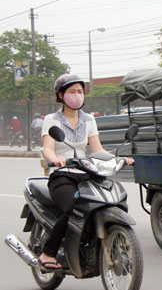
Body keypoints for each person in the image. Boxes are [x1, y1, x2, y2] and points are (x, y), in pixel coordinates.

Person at [38, 74, 134, 270]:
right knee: (74, 207)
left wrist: (118, 159)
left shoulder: (89, 119)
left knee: (115, 197)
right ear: (61, 95)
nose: (77, 95)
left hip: (86, 173)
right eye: (72, 91)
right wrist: (55, 159)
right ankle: (47, 253)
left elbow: (97, 149)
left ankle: (118, 237)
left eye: (80, 91)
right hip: (63, 174)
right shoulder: (51, 119)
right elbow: (48, 147)